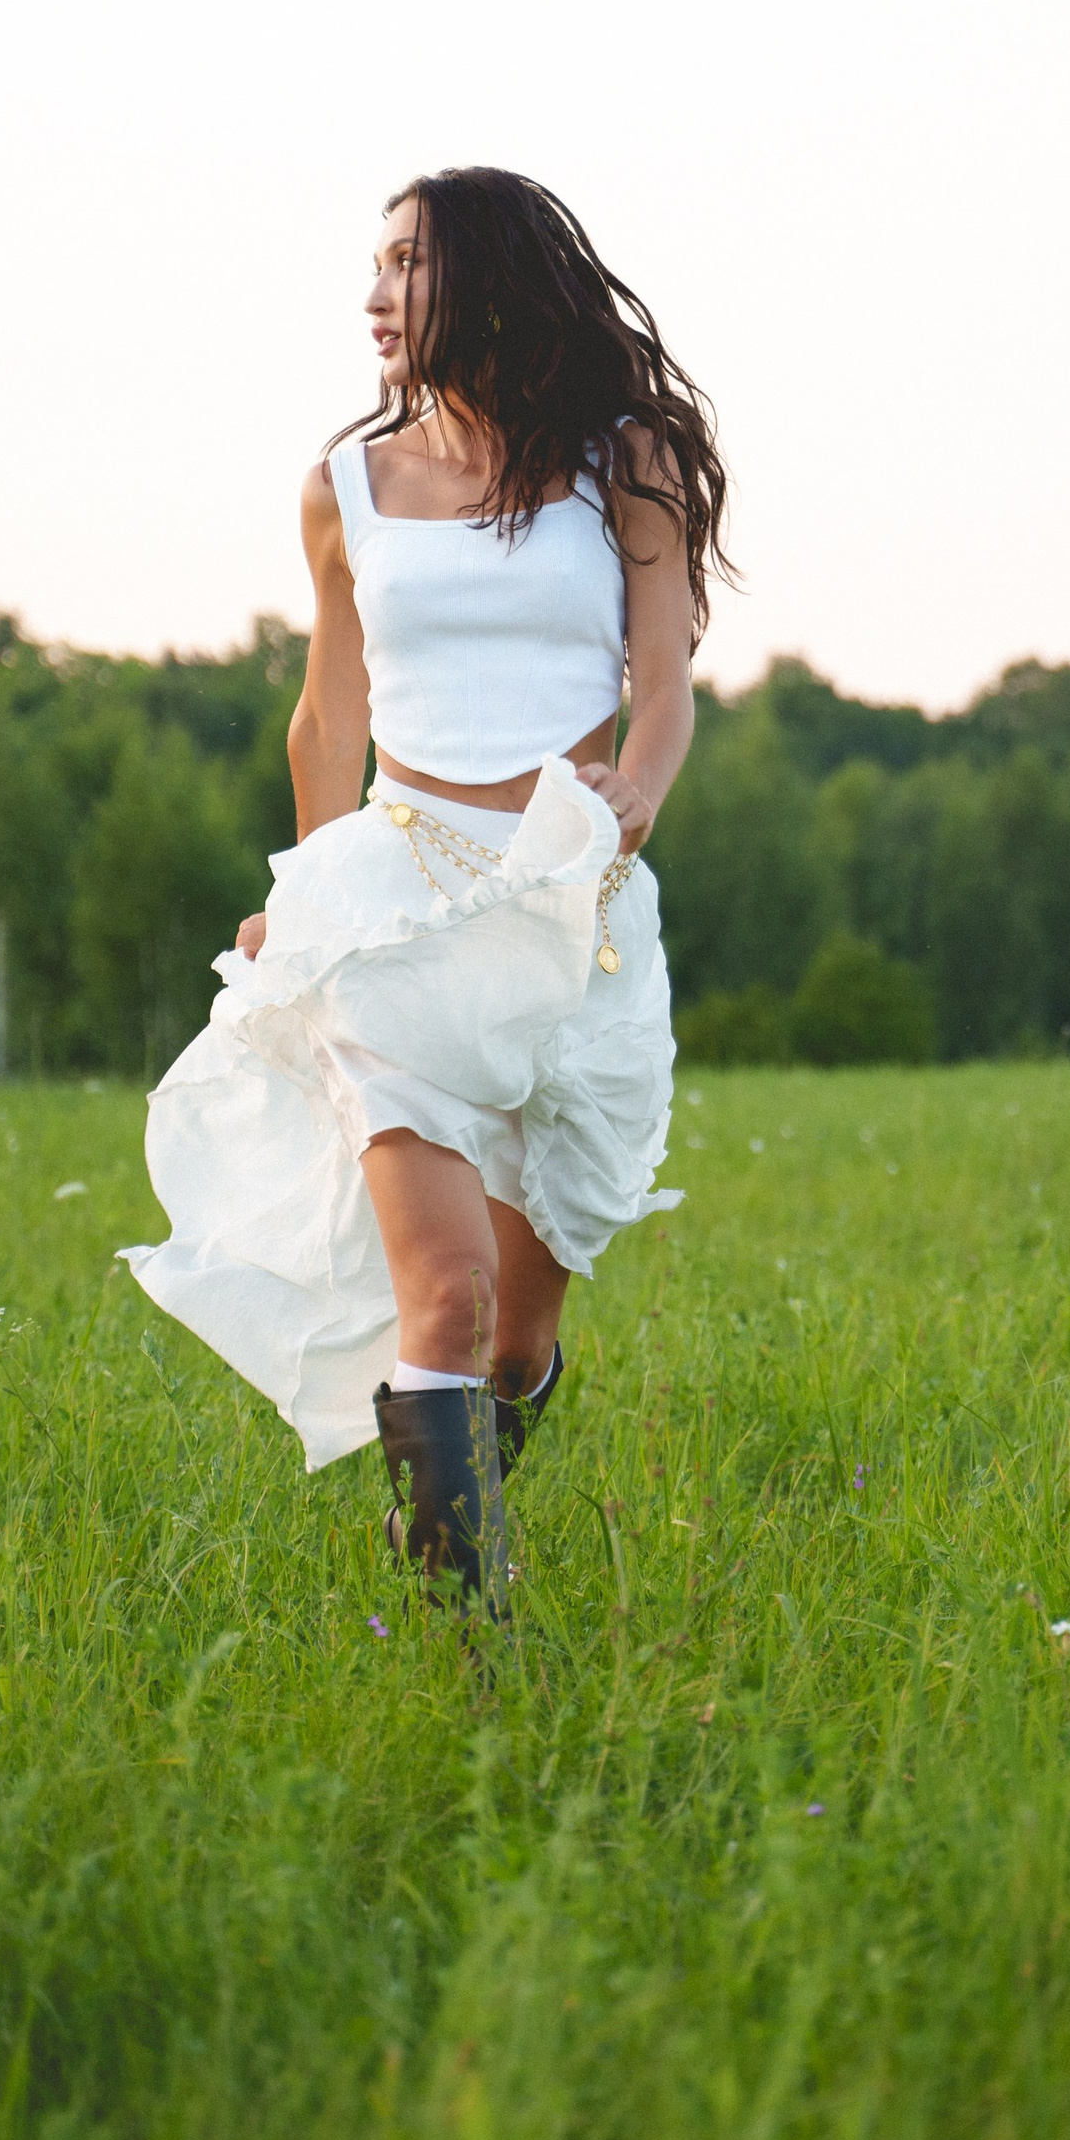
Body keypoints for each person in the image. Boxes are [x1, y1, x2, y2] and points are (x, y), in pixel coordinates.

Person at [121, 168, 728, 1619]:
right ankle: (468, 1644)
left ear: (492, 279)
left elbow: (664, 684)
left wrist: (636, 795)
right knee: (445, 1297)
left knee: (515, 1341)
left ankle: (456, 1519)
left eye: (407, 263)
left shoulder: (624, 462)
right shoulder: (345, 485)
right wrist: (309, 895)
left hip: (567, 912)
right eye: (377, 265)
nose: (376, 295)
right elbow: (328, 715)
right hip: (393, 909)